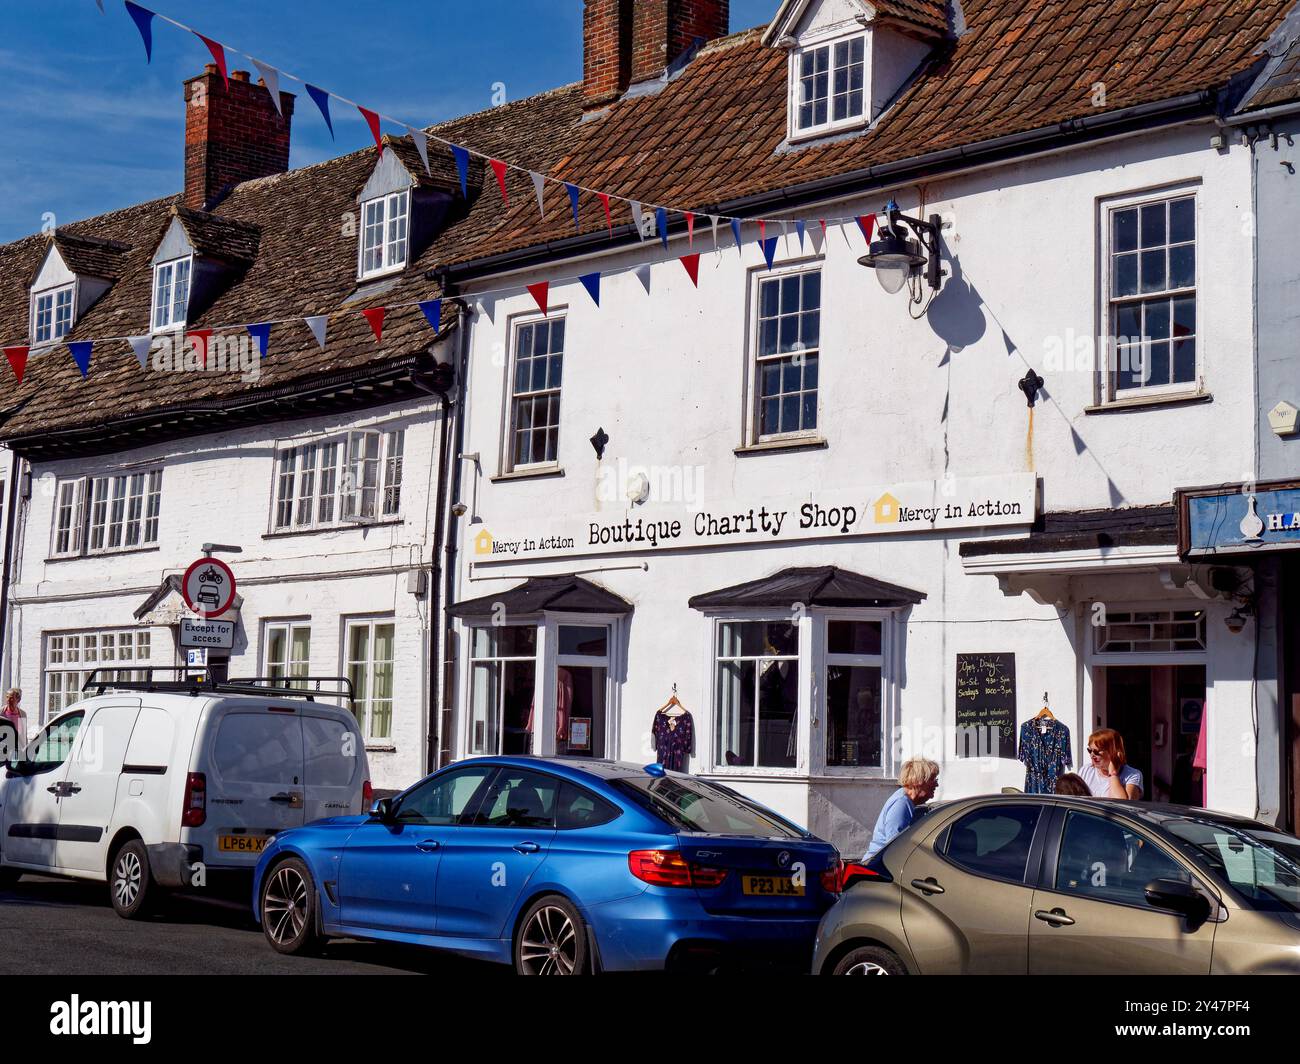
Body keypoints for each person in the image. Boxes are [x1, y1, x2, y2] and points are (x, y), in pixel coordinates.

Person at [863, 757, 940, 860]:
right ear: (917, 780)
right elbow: (896, 847)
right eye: (932, 779)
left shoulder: (910, 802)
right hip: (879, 868)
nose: (937, 784)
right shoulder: (901, 803)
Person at [1077, 728, 1143, 799]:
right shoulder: (1086, 770)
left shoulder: (1132, 774)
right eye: (1090, 750)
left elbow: (1123, 805)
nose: (1092, 755)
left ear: (1113, 751)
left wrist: (1113, 774)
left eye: (1096, 752)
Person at [1, 688, 26, 757]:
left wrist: (25, 748)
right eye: (7, 697)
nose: (8, 700)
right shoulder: (1, 712)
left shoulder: (22, 714)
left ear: (18, 700)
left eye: (11, 698)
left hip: (16, 748)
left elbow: (23, 734)